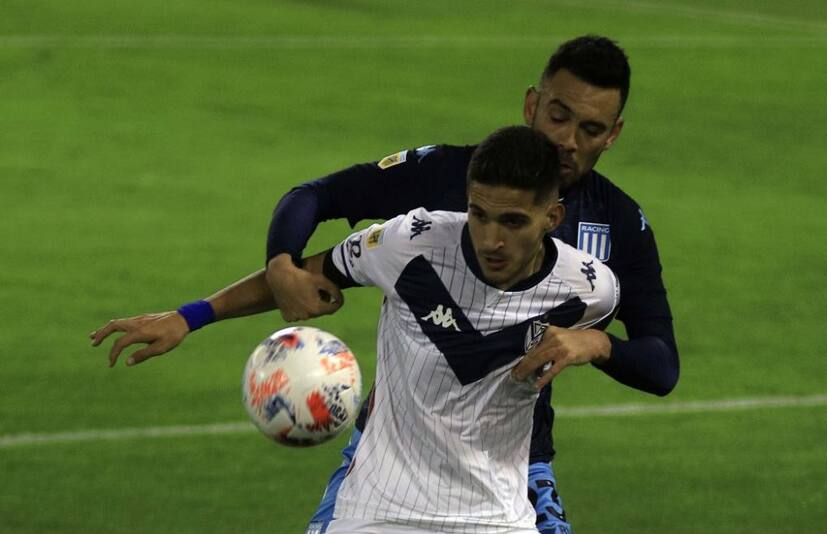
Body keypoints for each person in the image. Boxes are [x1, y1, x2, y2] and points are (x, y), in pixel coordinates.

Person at [91, 36, 679, 534]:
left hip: (516, 465)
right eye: (558, 115)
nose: (568, 140)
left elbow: (660, 363)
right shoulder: (441, 190)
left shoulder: (615, 234)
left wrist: (597, 344)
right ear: (531, 104)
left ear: (613, 135)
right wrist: (272, 271)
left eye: (590, 128)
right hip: (392, 462)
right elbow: (315, 198)